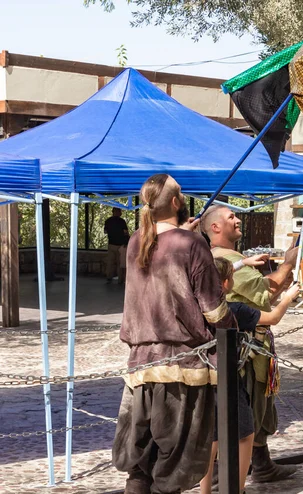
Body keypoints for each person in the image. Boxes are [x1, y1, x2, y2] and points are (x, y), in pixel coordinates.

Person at [112, 174, 236, 494]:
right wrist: (233, 333)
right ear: (178, 202)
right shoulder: (190, 243)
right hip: (183, 368)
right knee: (174, 464)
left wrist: (184, 235)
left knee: (140, 464)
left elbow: (165, 256)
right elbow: (214, 309)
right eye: (180, 192)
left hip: (141, 365)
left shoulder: (137, 239)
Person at [201, 204, 299, 483]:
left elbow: (267, 287)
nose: (238, 219)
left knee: (260, 407)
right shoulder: (220, 257)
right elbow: (266, 292)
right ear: (215, 227)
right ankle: (228, 477)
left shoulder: (230, 258)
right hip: (245, 348)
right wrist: (289, 264)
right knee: (247, 412)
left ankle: (262, 464)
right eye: (231, 216)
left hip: (252, 346)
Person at [104, 207, 129, 284]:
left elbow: (105, 231)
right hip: (120, 245)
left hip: (111, 244)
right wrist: (126, 242)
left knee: (110, 262)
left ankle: (109, 277)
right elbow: (126, 233)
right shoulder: (122, 221)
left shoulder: (108, 221)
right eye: (120, 211)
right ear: (117, 212)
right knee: (120, 263)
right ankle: (120, 279)